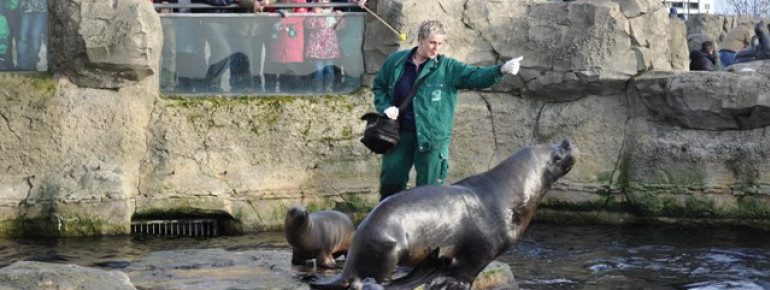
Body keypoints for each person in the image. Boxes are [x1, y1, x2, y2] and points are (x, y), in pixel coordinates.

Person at [373, 20, 522, 201]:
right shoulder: (395, 62)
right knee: (391, 183)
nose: (436, 48)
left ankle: (427, 227)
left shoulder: (448, 68)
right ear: (420, 40)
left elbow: (476, 76)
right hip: (398, 134)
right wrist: (386, 106)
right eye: (432, 43)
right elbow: (379, 86)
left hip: (432, 138)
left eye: (440, 43)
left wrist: (501, 69)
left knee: (429, 193)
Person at [305, 0, 343, 92]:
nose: (323, 1)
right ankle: (318, 88)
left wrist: (339, 18)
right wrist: (316, 15)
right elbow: (309, 25)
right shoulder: (313, 11)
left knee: (330, 69)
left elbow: (339, 27)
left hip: (330, 46)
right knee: (319, 69)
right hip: (317, 46)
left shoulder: (333, 12)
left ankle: (328, 87)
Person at [16, 0, 46, 71]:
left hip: (41, 9)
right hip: (26, 8)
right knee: (23, 37)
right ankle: (22, 65)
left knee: (36, 37)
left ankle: (32, 64)